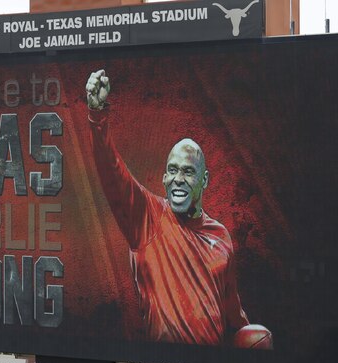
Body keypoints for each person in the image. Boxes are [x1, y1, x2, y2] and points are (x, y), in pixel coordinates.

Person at [86, 69, 249, 345]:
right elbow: (112, 172)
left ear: (204, 180)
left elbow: (233, 312)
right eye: (172, 170)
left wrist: (258, 348)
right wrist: (97, 113)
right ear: (163, 178)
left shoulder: (221, 236)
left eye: (187, 172)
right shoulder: (148, 217)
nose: (178, 179)